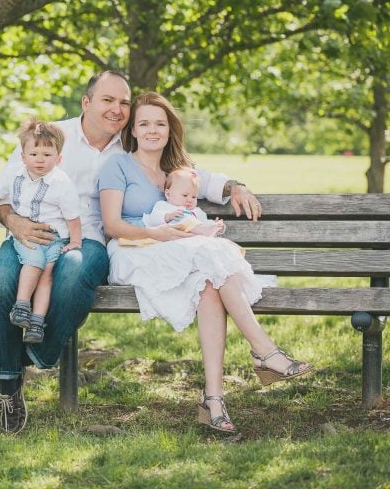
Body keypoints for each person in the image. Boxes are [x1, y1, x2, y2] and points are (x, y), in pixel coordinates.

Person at [0, 71, 261, 434]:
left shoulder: (132, 146)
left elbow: (189, 173)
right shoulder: (49, 136)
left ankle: (21, 357)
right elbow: (1, 195)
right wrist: (13, 221)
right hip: (30, 235)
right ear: (86, 103)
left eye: (124, 102)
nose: (117, 109)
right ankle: (9, 389)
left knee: (74, 272)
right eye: (108, 100)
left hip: (90, 240)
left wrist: (234, 186)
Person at [98, 91, 313, 433]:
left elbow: (213, 183)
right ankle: (264, 351)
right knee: (213, 255)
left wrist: (237, 187)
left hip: (178, 253)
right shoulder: (118, 165)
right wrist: (158, 234)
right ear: (133, 130)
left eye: (160, 123)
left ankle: (213, 401)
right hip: (133, 250)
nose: (152, 130)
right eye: (144, 123)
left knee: (211, 285)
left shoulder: (178, 168)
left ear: (170, 129)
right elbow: (112, 225)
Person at [0, 118, 82, 344]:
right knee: (34, 261)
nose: (39, 160)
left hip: (54, 238)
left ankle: (36, 323)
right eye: (34, 154)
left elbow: (73, 217)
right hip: (26, 234)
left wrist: (76, 242)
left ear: (58, 158)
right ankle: (22, 306)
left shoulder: (62, 183)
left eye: (47, 155)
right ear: (23, 156)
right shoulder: (14, 174)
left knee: (47, 276)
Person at [143, 167, 225, 237]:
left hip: (190, 239)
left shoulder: (196, 211)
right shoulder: (163, 205)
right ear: (168, 194)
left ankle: (210, 230)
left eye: (194, 197)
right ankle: (205, 231)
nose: (190, 200)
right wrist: (167, 216)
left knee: (199, 224)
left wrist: (214, 225)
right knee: (182, 218)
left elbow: (203, 223)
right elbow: (153, 219)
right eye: (185, 195)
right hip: (171, 236)